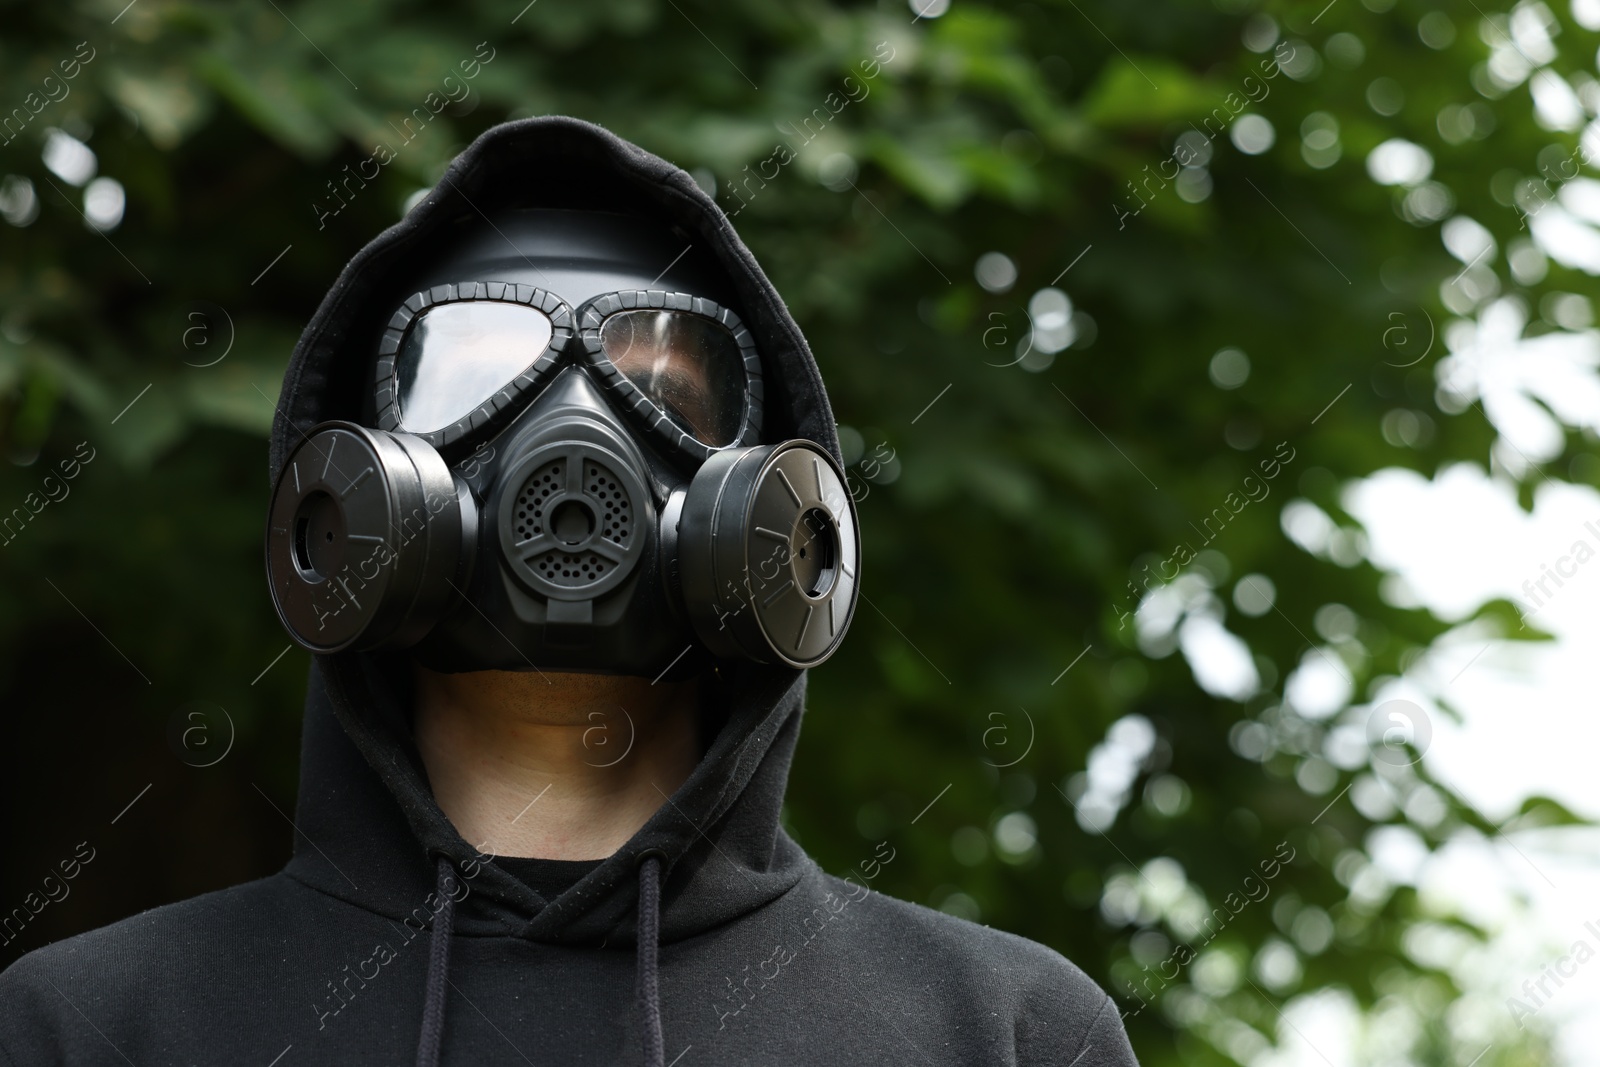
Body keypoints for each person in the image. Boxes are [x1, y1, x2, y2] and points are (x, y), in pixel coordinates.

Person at [0, 116, 1138, 1066]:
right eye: (477, 377)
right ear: (353, 491)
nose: (575, 441)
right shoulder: (93, 1024)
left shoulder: (1006, 1033)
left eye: (658, 392)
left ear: (762, 501)